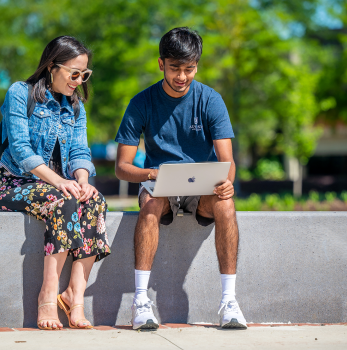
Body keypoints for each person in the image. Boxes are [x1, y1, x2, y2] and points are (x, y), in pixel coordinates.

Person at [114, 27, 247, 330]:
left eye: (189, 69)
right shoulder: (141, 103)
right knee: (149, 202)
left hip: (202, 188)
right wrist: (151, 174)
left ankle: (229, 301)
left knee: (227, 204)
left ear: (197, 65)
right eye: (175, 68)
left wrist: (227, 182)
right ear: (161, 63)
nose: (182, 76)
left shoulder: (210, 100)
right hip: (158, 182)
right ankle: (140, 302)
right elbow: (122, 167)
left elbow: (227, 161)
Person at [0, 36, 110, 330]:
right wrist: (60, 182)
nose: (79, 80)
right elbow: (21, 149)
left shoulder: (76, 106)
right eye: (74, 73)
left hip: (55, 185)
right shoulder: (20, 93)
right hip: (13, 182)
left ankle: (74, 295)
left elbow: (80, 152)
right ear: (51, 67)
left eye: (84, 74)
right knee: (61, 199)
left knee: (94, 201)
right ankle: (47, 294)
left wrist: (82, 180)